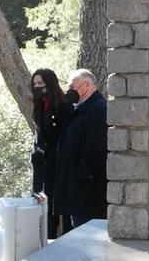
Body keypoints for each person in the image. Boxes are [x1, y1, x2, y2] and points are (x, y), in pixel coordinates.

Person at [56, 69, 108, 232]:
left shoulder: (98, 109)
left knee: (87, 235)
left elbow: (96, 148)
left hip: (88, 190)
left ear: (86, 85)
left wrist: (81, 173)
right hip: (76, 189)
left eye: (72, 86)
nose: (69, 90)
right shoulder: (78, 109)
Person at [28, 68, 74, 238]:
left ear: (50, 83)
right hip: (44, 162)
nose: (37, 86)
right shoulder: (39, 106)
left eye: (40, 83)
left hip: (60, 160)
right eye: (35, 84)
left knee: (61, 202)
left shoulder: (62, 105)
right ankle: (49, 236)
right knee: (45, 200)